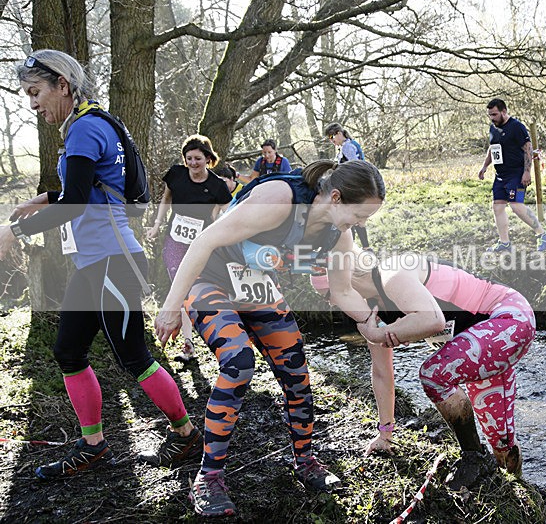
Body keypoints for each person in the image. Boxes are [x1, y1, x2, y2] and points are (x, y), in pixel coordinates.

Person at [0, 49, 202, 479]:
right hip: (95, 263)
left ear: (63, 86)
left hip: (115, 260)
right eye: (27, 95)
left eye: (36, 93)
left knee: (133, 356)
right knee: (68, 351)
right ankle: (94, 446)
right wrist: (44, 198)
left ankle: (186, 435)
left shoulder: (86, 128)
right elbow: (90, 192)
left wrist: (11, 233)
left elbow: (76, 204)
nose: (32, 104)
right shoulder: (89, 124)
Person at [154, 159, 385, 516]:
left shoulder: (338, 233)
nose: (362, 224)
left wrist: (374, 326)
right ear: (336, 197)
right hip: (210, 278)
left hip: (257, 287)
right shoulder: (280, 198)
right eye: (361, 215)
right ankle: (209, 478)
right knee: (238, 361)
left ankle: (306, 462)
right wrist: (171, 307)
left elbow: (342, 292)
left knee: (297, 372)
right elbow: (204, 241)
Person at [311, 252, 535, 489]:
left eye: (329, 295)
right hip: (479, 345)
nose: (333, 303)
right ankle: (518, 490)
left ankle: (474, 458)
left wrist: (377, 334)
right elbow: (381, 373)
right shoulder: (370, 312)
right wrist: (385, 433)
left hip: (509, 318)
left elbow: (434, 321)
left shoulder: (392, 273)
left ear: (345, 282)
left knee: (434, 374)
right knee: (502, 443)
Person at [146, 135, 232, 361]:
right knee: (180, 287)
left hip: (202, 246)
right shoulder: (176, 174)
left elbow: (229, 212)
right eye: (189, 158)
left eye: (198, 158)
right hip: (175, 241)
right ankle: (188, 343)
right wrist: (157, 224)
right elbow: (166, 198)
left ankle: (209, 334)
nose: (193, 163)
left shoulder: (217, 185)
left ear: (208, 159)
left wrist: (219, 227)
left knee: (194, 289)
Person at [479, 98, 546, 253]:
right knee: (497, 207)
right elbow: (493, 149)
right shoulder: (493, 128)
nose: (492, 118)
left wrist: (527, 172)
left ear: (504, 111)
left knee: (516, 205)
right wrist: (485, 166)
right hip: (500, 175)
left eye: (495, 114)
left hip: (516, 174)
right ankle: (504, 242)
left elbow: (528, 149)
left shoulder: (517, 127)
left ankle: (542, 233)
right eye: (490, 115)